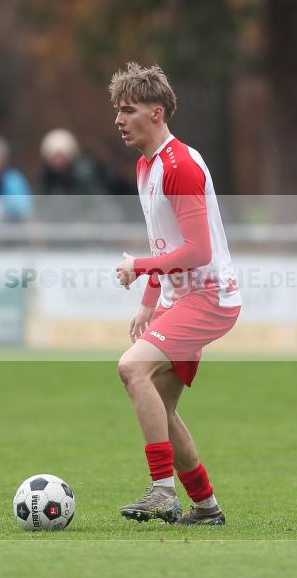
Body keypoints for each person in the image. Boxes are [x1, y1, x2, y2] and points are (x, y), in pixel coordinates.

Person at [111, 62, 241, 526]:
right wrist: (149, 302)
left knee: (132, 368)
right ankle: (205, 507)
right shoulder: (146, 165)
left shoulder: (179, 166)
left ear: (157, 112)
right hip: (180, 298)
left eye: (129, 110)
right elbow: (167, 244)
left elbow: (198, 250)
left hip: (208, 298)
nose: (119, 120)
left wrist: (140, 266)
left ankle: (162, 491)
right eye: (117, 110)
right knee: (161, 408)